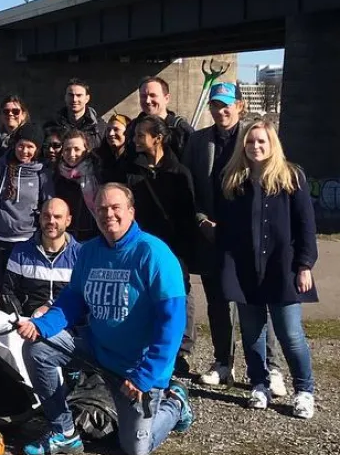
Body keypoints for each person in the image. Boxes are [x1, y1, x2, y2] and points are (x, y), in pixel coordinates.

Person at [19, 184, 194, 455]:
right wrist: (41, 326)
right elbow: (73, 300)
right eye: (101, 209)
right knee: (38, 348)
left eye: (115, 208)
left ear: (131, 212)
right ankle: (64, 432)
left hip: (136, 369)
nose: (108, 214)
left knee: (135, 449)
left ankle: (175, 403)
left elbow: (172, 324)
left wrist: (145, 376)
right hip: (98, 351)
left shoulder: (154, 253)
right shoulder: (89, 252)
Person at [216, 120, 317, 419]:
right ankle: (259, 383)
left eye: (261, 141)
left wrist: (304, 265)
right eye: (250, 142)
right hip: (246, 270)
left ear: (272, 144)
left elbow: (306, 226)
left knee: (290, 333)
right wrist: (225, 268)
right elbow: (227, 230)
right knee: (252, 333)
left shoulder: (291, 177)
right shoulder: (234, 181)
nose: (255, 147)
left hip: (281, 268)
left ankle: (304, 389)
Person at [123, 114, 198, 377]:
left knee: (178, 296)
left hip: (174, 247)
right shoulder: (132, 171)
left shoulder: (179, 173)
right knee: (144, 295)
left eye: (140, 135)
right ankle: (148, 345)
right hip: (143, 247)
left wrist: (185, 252)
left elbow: (188, 215)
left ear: (158, 138)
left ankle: (181, 351)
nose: (134, 140)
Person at [184, 83, 248, 388]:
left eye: (226, 105)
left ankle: (268, 367)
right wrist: (200, 220)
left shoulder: (254, 138)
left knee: (254, 301)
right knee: (217, 302)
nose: (221, 111)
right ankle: (224, 361)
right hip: (210, 233)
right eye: (215, 105)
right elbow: (190, 187)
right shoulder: (198, 141)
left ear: (239, 106)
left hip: (246, 235)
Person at [0, 124, 52, 298]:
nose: (24, 151)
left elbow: (49, 206)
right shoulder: (0, 166)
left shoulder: (42, 172)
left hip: (28, 242)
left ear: (37, 149)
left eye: (30, 147)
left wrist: (43, 238)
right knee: (3, 294)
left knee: (26, 294)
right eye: (21, 145)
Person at [2, 198, 81, 317]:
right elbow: (8, 292)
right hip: (28, 325)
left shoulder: (81, 254)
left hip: (68, 326)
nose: (51, 221)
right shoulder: (20, 252)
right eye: (46, 216)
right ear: (40, 218)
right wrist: (21, 321)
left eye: (57, 217)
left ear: (68, 220)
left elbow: (84, 297)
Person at [128, 76, 193, 160]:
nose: (147, 100)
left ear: (166, 98)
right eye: (143, 96)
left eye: (152, 95)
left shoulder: (181, 130)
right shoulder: (132, 127)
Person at [52, 130, 101, 242]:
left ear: (87, 150)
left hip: (94, 233)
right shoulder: (57, 175)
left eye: (77, 149)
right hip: (65, 236)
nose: (72, 154)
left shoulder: (97, 172)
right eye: (67, 150)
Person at [46, 78, 106, 150]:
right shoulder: (52, 126)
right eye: (71, 95)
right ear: (65, 97)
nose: (74, 99)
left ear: (87, 98)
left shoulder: (99, 128)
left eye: (79, 95)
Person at [0, 95, 29, 167]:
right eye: (6, 111)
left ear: (23, 115)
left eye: (15, 111)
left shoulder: (30, 138)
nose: (10, 114)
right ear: (1, 115)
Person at [93, 112, 130, 184]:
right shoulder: (99, 158)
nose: (111, 133)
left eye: (116, 129)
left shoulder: (136, 159)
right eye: (108, 130)